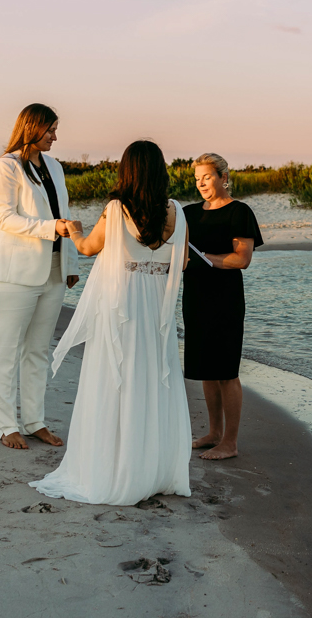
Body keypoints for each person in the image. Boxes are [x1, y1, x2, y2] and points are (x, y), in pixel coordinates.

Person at [31, 140, 191, 506]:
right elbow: (181, 264)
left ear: (128, 171)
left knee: (118, 378)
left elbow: (88, 248)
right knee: (154, 379)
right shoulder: (178, 213)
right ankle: (153, 469)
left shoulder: (117, 209)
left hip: (125, 303)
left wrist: (72, 230)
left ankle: (116, 469)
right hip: (156, 308)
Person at [0, 103, 81, 450]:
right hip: (13, 274)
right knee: (6, 350)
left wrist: (71, 266)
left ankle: (35, 421)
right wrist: (51, 228)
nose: (55, 136)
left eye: (55, 129)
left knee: (39, 351)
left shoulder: (54, 166)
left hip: (54, 271)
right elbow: (4, 218)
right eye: (50, 129)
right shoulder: (4, 167)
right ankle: (7, 425)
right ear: (30, 128)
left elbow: (64, 214)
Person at [182, 153, 264, 461]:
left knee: (226, 370)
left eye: (207, 177)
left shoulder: (239, 212)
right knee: (206, 369)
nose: (202, 183)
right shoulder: (189, 213)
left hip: (225, 298)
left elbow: (242, 259)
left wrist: (204, 259)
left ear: (223, 177)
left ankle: (230, 442)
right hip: (194, 296)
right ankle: (214, 433)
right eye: (197, 179)